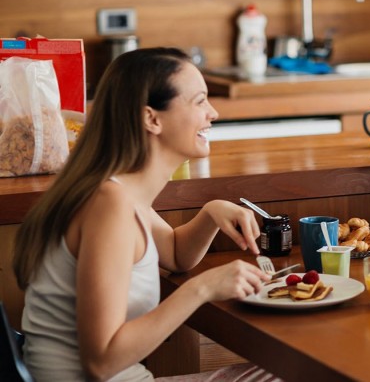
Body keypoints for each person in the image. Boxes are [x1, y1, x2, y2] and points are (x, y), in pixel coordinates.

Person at [12, 48, 278, 381]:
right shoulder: (109, 205)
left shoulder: (118, 192)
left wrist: (211, 213)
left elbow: (176, 254)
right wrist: (201, 290)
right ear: (151, 118)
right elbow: (102, 362)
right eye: (199, 101)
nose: (213, 112)